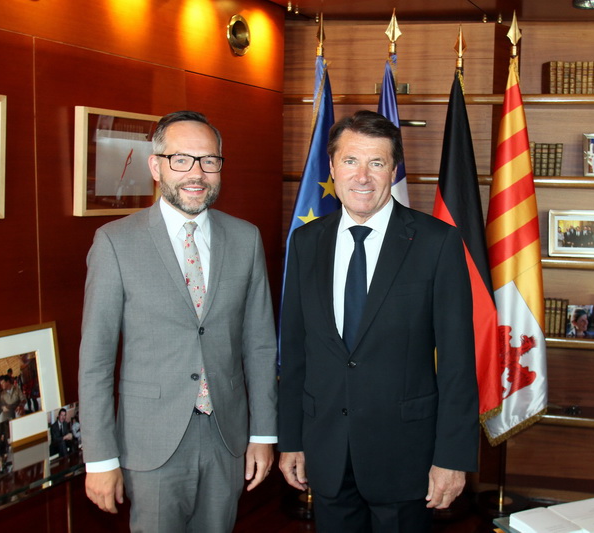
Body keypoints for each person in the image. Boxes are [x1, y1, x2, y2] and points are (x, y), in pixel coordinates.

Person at [278, 110, 479, 532]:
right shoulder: (306, 242)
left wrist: (452, 458)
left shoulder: (436, 243)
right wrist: (292, 440)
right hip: (327, 451)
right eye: (350, 161)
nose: (362, 177)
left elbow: (459, 363)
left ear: (394, 169)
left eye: (377, 163)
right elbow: (295, 352)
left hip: (406, 456)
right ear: (332, 167)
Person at [78, 110, 278, 532]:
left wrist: (263, 434)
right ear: (156, 166)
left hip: (227, 436)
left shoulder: (245, 239)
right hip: (151, 442)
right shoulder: (115, 243)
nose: (197, 173)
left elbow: (259, 346)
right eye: (181, 159)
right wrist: (99, 458)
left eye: (209, 161)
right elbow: (95, 360)